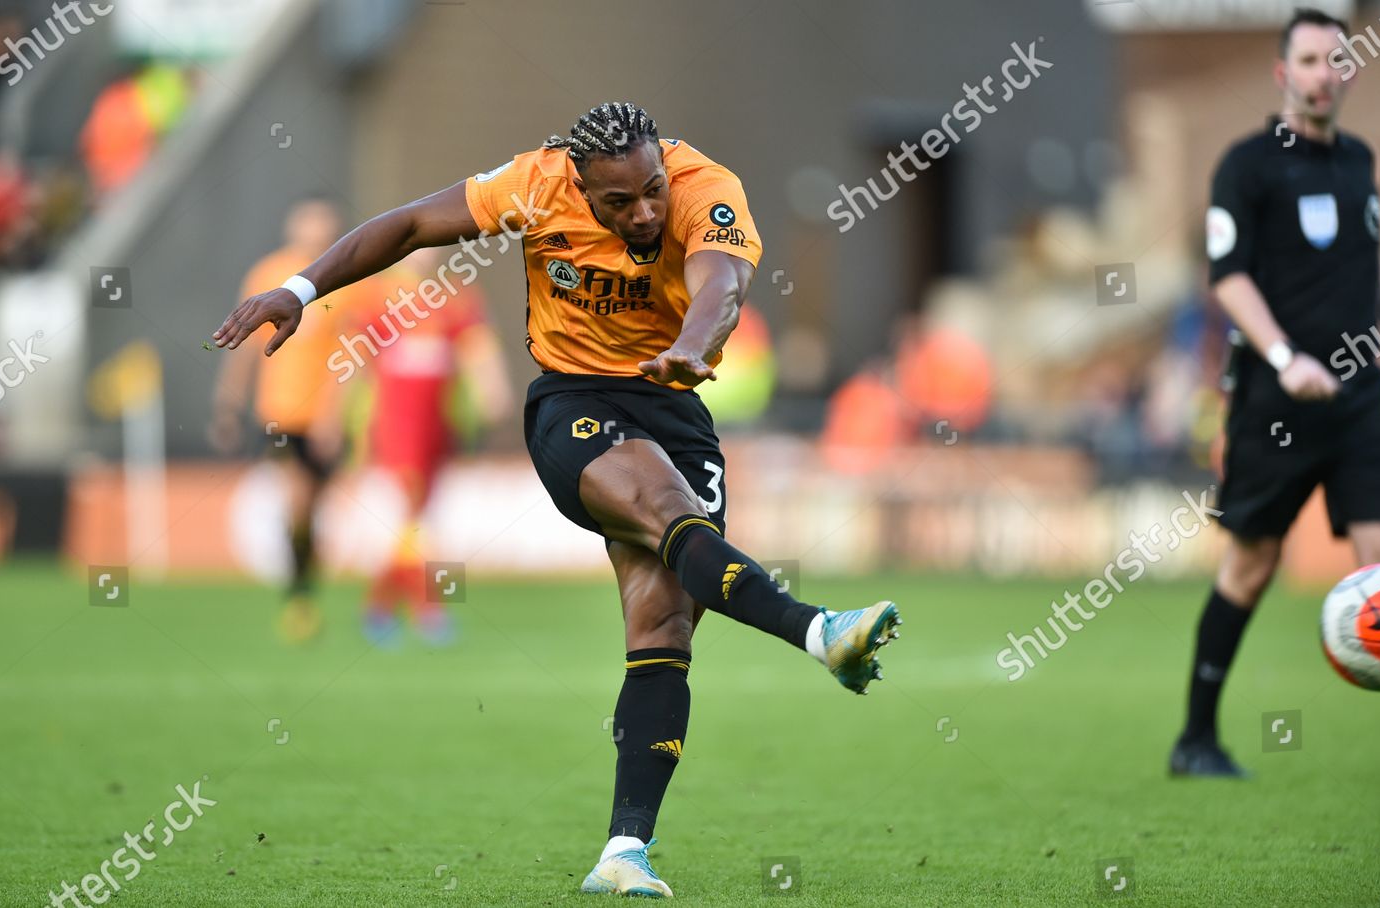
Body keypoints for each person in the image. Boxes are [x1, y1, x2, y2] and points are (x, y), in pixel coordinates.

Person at [211, 102, 901, 898]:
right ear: (579, 185)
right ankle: (820, 631)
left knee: (663, 626)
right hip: (575, 401)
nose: (643, 212)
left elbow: (724, 281)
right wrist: (301, 288)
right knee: (661, 505)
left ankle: (624, 851)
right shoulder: (533, 184)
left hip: (675, 396)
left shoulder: (703, 184)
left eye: (649, 191)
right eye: (620, 202)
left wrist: (689, 347)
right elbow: (406, 228)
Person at [1172, 9, 1380, 777]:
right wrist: (1285, 356)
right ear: (1283, 74)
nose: (1323, 74)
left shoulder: (1361, 160)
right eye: (1308, 60)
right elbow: (1229, 278)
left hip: (1361, 398)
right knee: (1252, 566)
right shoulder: (1247, 165)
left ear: (1351, 71)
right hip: (1276, 402)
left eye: (1336, 61)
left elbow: (1362, 273)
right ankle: (1196, 737)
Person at [210, 196, 376, 643]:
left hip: (323, 419)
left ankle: (305, 592)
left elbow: (352, 358)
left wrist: (333, 417)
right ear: (293, 225)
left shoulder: (344, 284)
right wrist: (227, 404)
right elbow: (243, 347)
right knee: (297, 499)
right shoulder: (268, 274)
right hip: (279, 415)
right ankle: (298, 600)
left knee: (314, 511)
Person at [354, 248, 510, 646]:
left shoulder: (455, 295)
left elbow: (478, 347)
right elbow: (356, 364)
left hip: (440, 425)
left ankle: (385, 608)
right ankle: (418, 608)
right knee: (410, 514)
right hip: (396, 426)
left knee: (422, 519)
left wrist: (494, 393)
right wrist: (350, 427)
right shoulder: (377, 296)